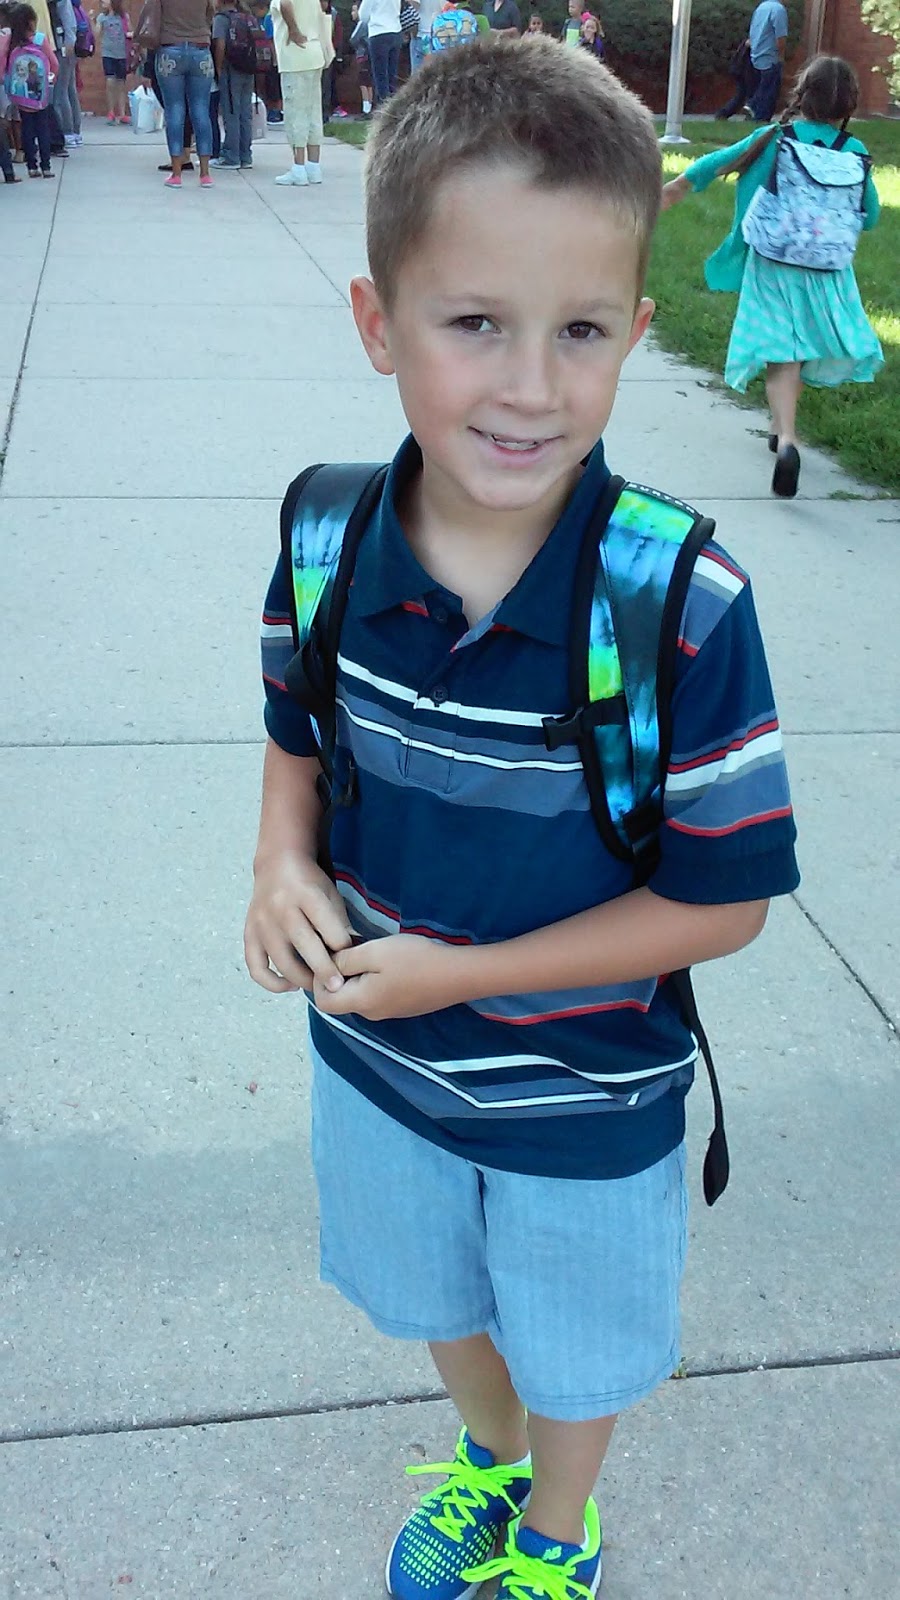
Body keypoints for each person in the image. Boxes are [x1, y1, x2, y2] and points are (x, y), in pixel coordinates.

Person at [246, 35, 800, 1600]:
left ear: (636, 330)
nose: (532, 388)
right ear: (379, 322)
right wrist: (278, 860)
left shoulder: (681, 601)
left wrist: (466, 976)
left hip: (582, 1098)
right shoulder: (325, 538)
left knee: (576, 1341)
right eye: (475, 323)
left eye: (580, 331)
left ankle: (560, 1522)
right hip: (378, 1062)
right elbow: (296, 733)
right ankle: (489, 1462)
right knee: (432, 1294)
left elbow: (727, 901)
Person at [662, 55, 882, 499]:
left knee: (782, 352)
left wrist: (670, 192)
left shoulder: (776, 139)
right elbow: (871, 216)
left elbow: (715, 163)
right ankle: (781, 432)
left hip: (773, 260)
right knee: (796, 352)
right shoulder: (855, 151)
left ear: (802, 95)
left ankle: (786, 440)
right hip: (827, 269)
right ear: (849, 104)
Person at [270, 0, 333, 185]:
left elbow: (285, 4)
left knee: (296, 113)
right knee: (313, 112)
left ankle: (298, 167)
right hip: (314, 50)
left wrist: (293, 30)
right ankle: (313, 166)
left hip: (294, 57)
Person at [156, 0, 215, 187]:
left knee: (174, 110)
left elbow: (153, 14)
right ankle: (205, 174)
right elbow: (210, 13)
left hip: (170, 48)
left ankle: (176, 174)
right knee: (201, 109)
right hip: (200, 49)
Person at [3, 3, 58, 176]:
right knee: (43, 129)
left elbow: (4, 66)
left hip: (21, 95)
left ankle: (32, 166)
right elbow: (54, 63)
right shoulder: (40, 39)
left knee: (26, 128)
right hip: (40, 95)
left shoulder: (12, 41)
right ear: (31, 22)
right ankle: (46, 166)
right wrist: (51, 79)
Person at [210, 0, 254, 167]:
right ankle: (245, 155)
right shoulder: (246, 16)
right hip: (248, 69)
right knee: (245, 113)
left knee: (231, 113)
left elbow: (220, 44)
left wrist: (219, 68)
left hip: (231, 71)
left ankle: (231, 156)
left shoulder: (221, 18)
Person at [745, 0, 788, 122]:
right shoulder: (779, 10)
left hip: (756, 54)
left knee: (762, 87)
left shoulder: (761, 7)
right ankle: (754, 107)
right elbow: (780, 37)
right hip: (770, 56)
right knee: (769, 92)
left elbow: (753, 32)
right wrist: (781, 56)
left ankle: (754, 114)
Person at [355, 0, 400, 107]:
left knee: (380, 75)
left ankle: (383, 107)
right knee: (392, 75)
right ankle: (393, 106)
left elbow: (363, 16)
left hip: (378, 32)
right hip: (395, 31)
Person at [95, 0, 131, 122]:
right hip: (108, 53)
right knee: (110, 81)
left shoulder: (124, 16)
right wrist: (92, 21)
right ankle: (111, 111)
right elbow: (97, 34)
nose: (102, 2)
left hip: (122, 54)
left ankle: (122, 113)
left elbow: (130, 31)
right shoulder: (102, 17)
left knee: (121, 83)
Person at [53, 0, 82, 144]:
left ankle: (67, 131)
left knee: (60, 92)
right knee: (70, 90)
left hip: (62, 47)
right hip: (67, 47)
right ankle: (75, 131)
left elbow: (68, 22)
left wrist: (69, 42)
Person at [715, 35, 758, 121]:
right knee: (746, 95)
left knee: (741, 96)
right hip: (746, 71)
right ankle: (723, 113)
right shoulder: (752, 41)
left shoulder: (748, 41)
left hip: (741, 70)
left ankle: (723, 114)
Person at [349, 0, 371, 111]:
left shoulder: (361, 24)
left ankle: (366, 109)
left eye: (354, 11)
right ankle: (369, 107)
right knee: (369, 82)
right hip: (370, 54)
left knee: (363, 82)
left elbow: (353, 39)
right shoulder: (370, 22)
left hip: (363, 55)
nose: (352, 13)